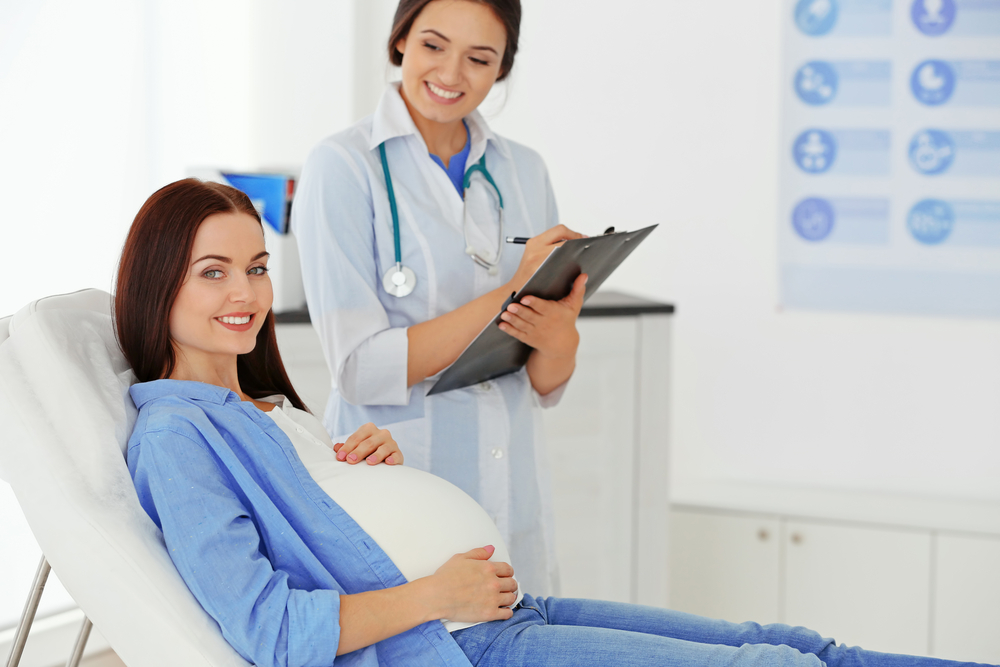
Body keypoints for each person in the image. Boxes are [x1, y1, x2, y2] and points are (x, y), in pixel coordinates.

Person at [119, 179, 994, 667]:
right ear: (163, 283)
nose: (247, 294)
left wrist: (357, 466)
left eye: (260, 267)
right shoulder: (175, 435)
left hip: (501, 610)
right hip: (460, 643)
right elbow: (269, 627)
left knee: (796, 644)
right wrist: (434, 594)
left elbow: (314, 530)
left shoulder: (264, 407)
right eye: (214, 272)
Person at [291, 0, 584, 597]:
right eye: (432, 45)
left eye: (480, 58)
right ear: (400, 40)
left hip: (513, 487)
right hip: (402, 491)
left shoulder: (525, 170)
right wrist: (509, 294)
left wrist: (562, 339)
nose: (451, 74)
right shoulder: (342, 167)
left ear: (502, 68)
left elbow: (543, 386)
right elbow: (360, 369)